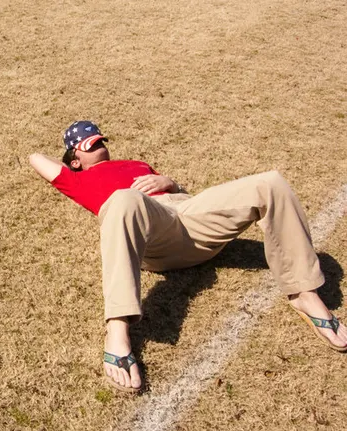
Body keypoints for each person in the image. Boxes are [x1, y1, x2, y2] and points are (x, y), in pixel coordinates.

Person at [28, 120, 347, 393]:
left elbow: (185, 196)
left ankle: (305, 292)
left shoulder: (136, 163)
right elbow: (35, 158)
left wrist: (170, 182)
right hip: (154, 231)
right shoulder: (77, 179)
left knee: (271, 183)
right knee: (124, 199)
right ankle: (118, 330)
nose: (98, 144)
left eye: (99, 139)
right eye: (89, 143)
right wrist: (68, 152)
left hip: (188, 213)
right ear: (74, 159)